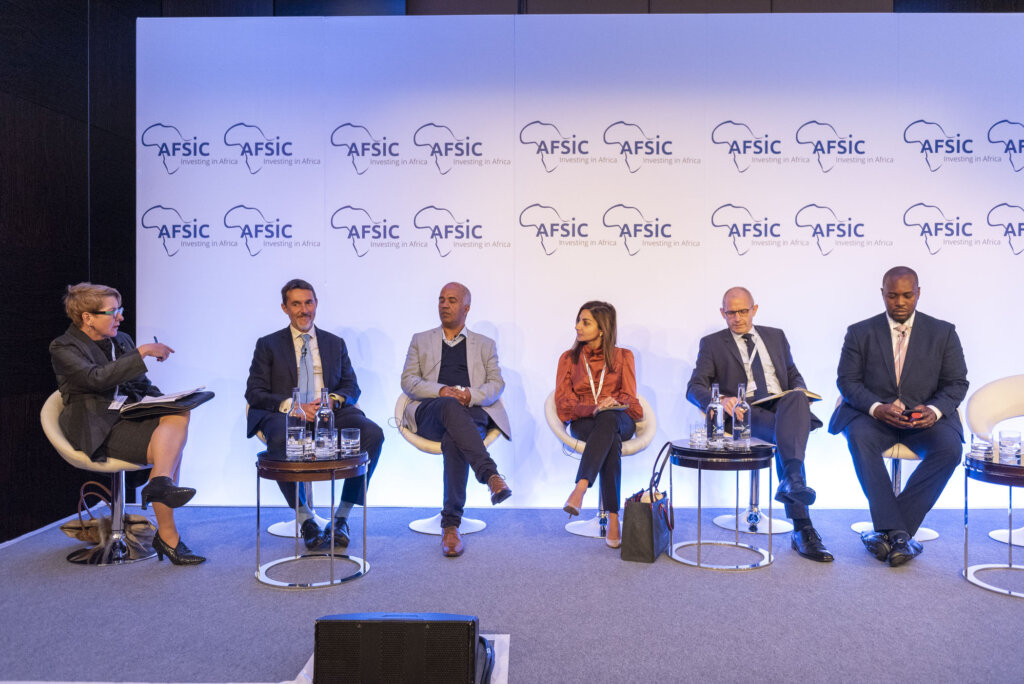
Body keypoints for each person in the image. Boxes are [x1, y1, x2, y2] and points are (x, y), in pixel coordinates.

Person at [49, 283, 204, 565]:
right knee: (168, 449)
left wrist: (166, 402)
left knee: (179, 414)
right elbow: (95, 379)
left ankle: (160, 487)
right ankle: (168, 534)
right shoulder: (64, 346)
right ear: (87, 317)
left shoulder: (121, 340)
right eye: (112, 311)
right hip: (95, 426)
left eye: (120, 309)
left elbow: (141, 385)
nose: (120, 317)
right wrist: (141, 352)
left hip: (127, 415)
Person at [829, 266, 968, 567]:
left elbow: (957, 383)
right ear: (883, 294)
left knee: (949, 449)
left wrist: (933, 411)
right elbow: (847, 382)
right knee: (859, 436)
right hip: (874, 418)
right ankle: (902, 537)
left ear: (918, 293)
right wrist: (876, 407)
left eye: (907, 295)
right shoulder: (860, 332)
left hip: (924, 419)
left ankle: (887, 532)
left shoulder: (943, 333)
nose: (900, 302)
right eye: (893, 296)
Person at [686, 286, 834, 562]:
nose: (737, 318)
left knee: (796, 398)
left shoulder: (776, 336)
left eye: (743, 311)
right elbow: (694, 387)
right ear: (722, 313)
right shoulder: (712, 343)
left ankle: (792, 483)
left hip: (782, 405)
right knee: (787, 433)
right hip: (746, 412)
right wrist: (721, 400)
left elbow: (792, 373)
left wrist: (801, 393)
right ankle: (802, 525)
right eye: (731, 312)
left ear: (754, 309)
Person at [245, 279, 383, 550]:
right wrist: (292, 405)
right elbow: (254, 391)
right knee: (281, 439)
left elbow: (351, 386)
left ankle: (341, 518)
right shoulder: (268, 344)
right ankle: (305, 519)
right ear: (285, 308)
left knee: (372, 435)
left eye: (308, 303)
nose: (304, 310)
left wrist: (332, 400)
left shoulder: (334, 343)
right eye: (296, 304)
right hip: (287, 415)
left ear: (316, 304)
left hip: (329, 414)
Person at [400, 282, 512, 557]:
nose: (444, 305)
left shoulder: (485, 344)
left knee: (455, 438)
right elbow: (408, 381)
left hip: (471, 412)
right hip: (431, 412)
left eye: (451, 300)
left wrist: (471, 394)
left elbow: (496, 383)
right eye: (441, 300)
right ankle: (491, 476)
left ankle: (451, 525)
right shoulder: (420, 339)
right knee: (449, 407)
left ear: (466, 308)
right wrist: (441, 391)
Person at [557, 301, 642, 549]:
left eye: (585, 322)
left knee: (609, 418)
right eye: (578, 321)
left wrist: (614, 402)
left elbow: (631, 399)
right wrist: (592, 408)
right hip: (585, 422)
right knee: (609, 437)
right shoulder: (569, 359)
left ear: (602, 329)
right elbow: (563, 404)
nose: (577, 327)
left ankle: (581, 487)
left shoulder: (623, 356)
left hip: (619, 419)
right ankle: (613, 518)